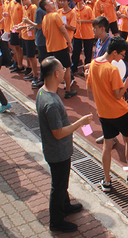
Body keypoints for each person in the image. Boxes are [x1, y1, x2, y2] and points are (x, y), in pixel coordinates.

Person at [36, 57, 93, 233]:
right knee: (58, 185)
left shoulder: (42, 92)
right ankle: (56, 221)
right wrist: (80, 123)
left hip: (55, 149)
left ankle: (65, 205)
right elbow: (58, 132)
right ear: (56, 74)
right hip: (57, 151)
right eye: (62, 69)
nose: (65, 71)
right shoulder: (51, 103)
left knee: (62, 182)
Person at [87, 36, 128, 191]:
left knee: (107, 145)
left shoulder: (94, 64)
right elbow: (119, 95)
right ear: (114, 52)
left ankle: (106, 180)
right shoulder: (112, 69)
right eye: (121, 55)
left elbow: (90, 88)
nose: (121, 58)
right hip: (120, 112)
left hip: (104, 113)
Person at [40, 0, 76, 99]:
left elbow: (44, 33)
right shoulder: (55, 15)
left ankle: (54, 92)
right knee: (66, 68)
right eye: (50, 3)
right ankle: (68, 90)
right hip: (60, 46)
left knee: (54, 70)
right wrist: (69, 42)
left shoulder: (44, 18)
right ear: (46, 7)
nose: (53, 3)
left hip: (50, 47)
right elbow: (63, 30)